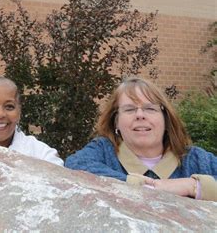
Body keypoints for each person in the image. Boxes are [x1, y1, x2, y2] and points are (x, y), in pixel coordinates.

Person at [65, 77, 216, 201]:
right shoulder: (103, 150)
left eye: (150, 108)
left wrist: (192, 186)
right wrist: (141, 186)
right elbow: (75, 165)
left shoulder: (194, 158)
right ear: (116, 121)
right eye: (129, 109)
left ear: (166, 119)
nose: (140, 115)